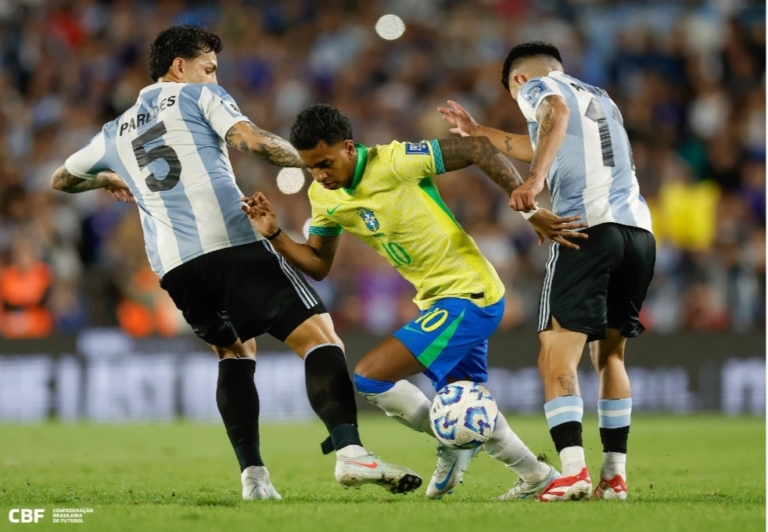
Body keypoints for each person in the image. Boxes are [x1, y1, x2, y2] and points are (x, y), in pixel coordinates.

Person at [50, 25, 421, 500]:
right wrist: (319, 162)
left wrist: (107, 179)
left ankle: (254, 478)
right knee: (320, 337)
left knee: (234, 352)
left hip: (176, 266)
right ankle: (350, 453)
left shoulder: (112, 132)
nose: (213, 77)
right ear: (179, 67)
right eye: (208, 68)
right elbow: (254, 142)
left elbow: (61, 179)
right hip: (231, 242)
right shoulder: (198, 96)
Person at [241, 103, 589, 500]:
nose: (320, 175)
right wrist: (275, 235)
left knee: (371, 377)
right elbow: (318, 264)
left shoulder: (395, 161)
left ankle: (452, 443)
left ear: (349, 148)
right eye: (310, 168)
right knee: (462, 403)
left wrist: (529, 210)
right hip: (436, 302)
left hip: (469, 294)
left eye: (325, 163)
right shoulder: (323, 196)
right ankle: (536, 474)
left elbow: (477, 147)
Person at [439, 41, 656, 501]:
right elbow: (540, 138)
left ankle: (572, 472)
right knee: (610, 356)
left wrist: (535, 181)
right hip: (638, 234)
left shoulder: (538, 87)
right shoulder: (600, 96)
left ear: (519, 79)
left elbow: (553, 113)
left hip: (586, 229)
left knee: (555, 353)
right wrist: (478, 131)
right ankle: (613, 477)